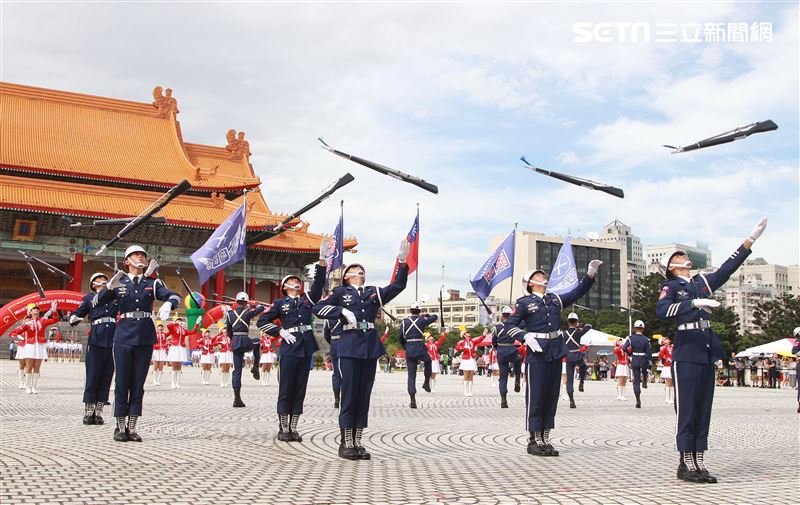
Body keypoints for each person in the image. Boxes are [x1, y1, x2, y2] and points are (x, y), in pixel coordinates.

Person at [656, 216, 766, 483]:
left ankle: (699, 460)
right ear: (671, 266)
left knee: (703, 408)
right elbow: (661, 311)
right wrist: (693, 303)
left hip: (705, 350)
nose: (684, 257)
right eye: (679, 256)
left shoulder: (700, 282)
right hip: (686, 352)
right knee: (687, 409)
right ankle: (685, 461)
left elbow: (727, 269)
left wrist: (749, 241)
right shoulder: (670, 286)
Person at [313, 239, 410, 460]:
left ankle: (357, 441)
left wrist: (402, 263)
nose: (360, 272)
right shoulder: (340, 292)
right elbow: (318, 308)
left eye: (362, 270)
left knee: (363, 395)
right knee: (348, 395)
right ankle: (345, 442)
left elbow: (398, 286)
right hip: (348, 346)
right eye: (356, 270)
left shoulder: (373, 292)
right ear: (347, 276)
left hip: (368, 347)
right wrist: (339, 311)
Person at [504, 259, 602, 457]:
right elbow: (509, 325)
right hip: (537, 352)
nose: (543, 276)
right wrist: (524, 336)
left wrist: (590, 275)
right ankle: (534, 439)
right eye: (539, 275)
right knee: (536, 396)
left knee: (551, 396)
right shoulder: (524, 302)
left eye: (543, 274)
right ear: (530, 283)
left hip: (555, 350)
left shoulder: (554, 299)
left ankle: (545, 437)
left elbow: (577, 292)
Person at [95, 245, 182, 442]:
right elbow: (96, 303)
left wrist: (169, 303)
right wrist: (108, 287)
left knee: (138, 384)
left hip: (144, 336)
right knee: (122, 382)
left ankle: (132, 427)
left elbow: (174, 295)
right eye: (136, 255)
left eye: (142, 255)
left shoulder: (152, 283)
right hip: (123, 336)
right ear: (127, 261)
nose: (140, 258)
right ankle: (119, 427)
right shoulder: (119, 281)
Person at [257, 243, 327, 442]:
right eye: (293, 282)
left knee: (300, 389)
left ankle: (294, 427)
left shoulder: (307, 300)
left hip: (305, 347)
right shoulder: (279, 303)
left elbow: (319, 284)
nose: (297, 283)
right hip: (289, 347)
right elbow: (262, 321)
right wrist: (280, 331)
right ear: (285, 287)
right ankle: (283, 427)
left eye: (298, 281)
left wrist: (321, 262)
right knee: (286, 388)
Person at [69, 272, 118, 425]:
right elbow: (77, 315)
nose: (103, 281)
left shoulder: (114, 297)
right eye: (99, 280)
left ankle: (99, 411)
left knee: (106, 375)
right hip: (96, 337)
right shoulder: (89, 298)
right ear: (93, 284)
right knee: (93, 374)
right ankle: (88, 410)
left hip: (112, 337)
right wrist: (75, 317)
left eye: (105, 279)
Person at [225, 292, 267, 407]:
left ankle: (236, 399)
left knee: (237, 371)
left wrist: (234, 340)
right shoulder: (247, 312)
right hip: (245, 340)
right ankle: (255, 367)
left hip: (235, 342)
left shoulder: (229, 314)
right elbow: (261, 308)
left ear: (237, 301)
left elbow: (229, 331)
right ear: (246, 302)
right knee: (258, 342)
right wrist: (254, 304)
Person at [397, 302, 438, 408]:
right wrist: (427, 315)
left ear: (410, 311)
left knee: (411, 376)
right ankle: (426, 382)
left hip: (409, 348)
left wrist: (405, 346)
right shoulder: (421, 320)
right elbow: (435, 317)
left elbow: (400, 337)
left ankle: (412, 400)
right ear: (419, 311)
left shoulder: (405, 322)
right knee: (428, 361)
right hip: (420, 348)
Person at [13, 302, 60, 394]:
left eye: (37, 309)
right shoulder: (27, 322)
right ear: (30, 312)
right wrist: (24, 325)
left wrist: (54, 311)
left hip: (40, 345)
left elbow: (55, 320)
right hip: (30, 345)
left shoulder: (42, 321)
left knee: (37, 367)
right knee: (29, 367)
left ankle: (34, 387)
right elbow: (17, 331)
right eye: (34, 309)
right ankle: (27, 386)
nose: (37, 310)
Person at [562, 312, 588, 409]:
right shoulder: (579, 332)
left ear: (568, 322)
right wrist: (581, 325)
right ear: (576, 322)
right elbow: (589, 326)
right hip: (577, 355)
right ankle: (581, 381)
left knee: (569, 380)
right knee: (583, 366)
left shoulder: (564, 334)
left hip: (568, 357)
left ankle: (571, 401)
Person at [623, 320, 651, 409]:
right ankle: (645, 380)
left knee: (636, 380)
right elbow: (649, 353)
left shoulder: (630, 338)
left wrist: (630, 353)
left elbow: (624, 348)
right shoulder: (646, 340)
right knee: (644, 371)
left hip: (635, 359)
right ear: (643, 329)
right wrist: (649, 363)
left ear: (635, 328)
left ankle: (638, 400)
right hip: (643, 359)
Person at [166, 317, 200, 389]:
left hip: (181, 348)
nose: (180, 322)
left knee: (179, 366)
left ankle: (177, 383)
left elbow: (193, 332)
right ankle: (173, 382)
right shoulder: (173, 328)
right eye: (178, 320)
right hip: (175, 347)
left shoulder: (184, 330)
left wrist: (197, 324)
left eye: (180, 321)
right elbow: (168, 326)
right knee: (174, 365)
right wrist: (175, 323)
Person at [455, 330, 483, 396]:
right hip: (466, 359)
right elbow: (457, 348)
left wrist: (483, 335)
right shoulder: (462, 342)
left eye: (469, 333)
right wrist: (463, 347)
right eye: (467, 333)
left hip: (472, 359)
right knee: (466, 376)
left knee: (471, 376)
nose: (469, 334)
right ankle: (465, 391)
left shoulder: (472, 341)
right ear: (464, 335)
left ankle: (470, 391)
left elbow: (479, 340)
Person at [323, 319, 343, 407]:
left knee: (336, 372)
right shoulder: (348, 312)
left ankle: (336, 399)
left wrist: (333, 343)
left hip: (334, 343)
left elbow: (326, 335)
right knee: (348, 371)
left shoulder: (328, 318)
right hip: (347, 344)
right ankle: (346, 398)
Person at [9, 316, 30, 389]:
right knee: (21, 365)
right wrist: (19, 337)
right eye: (26, 320)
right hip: (22, 347)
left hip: (30, 347)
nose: (27, 321)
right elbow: (11, 334)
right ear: (23, 321)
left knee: (28, 366)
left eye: (29, 320)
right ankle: (21, 382)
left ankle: (27, 383)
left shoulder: (33, 328)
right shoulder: (19, 327)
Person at [658, 337, 674, 404]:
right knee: (668, 382)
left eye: (668, 339)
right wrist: (666, 358)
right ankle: (667, 398)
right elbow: (660, 355)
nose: (667, 340)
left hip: (672, 365)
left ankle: (671, 397)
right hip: (667, 366)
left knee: (672, 382)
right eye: (665, 340)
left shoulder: (672, 347)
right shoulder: (663, 348)